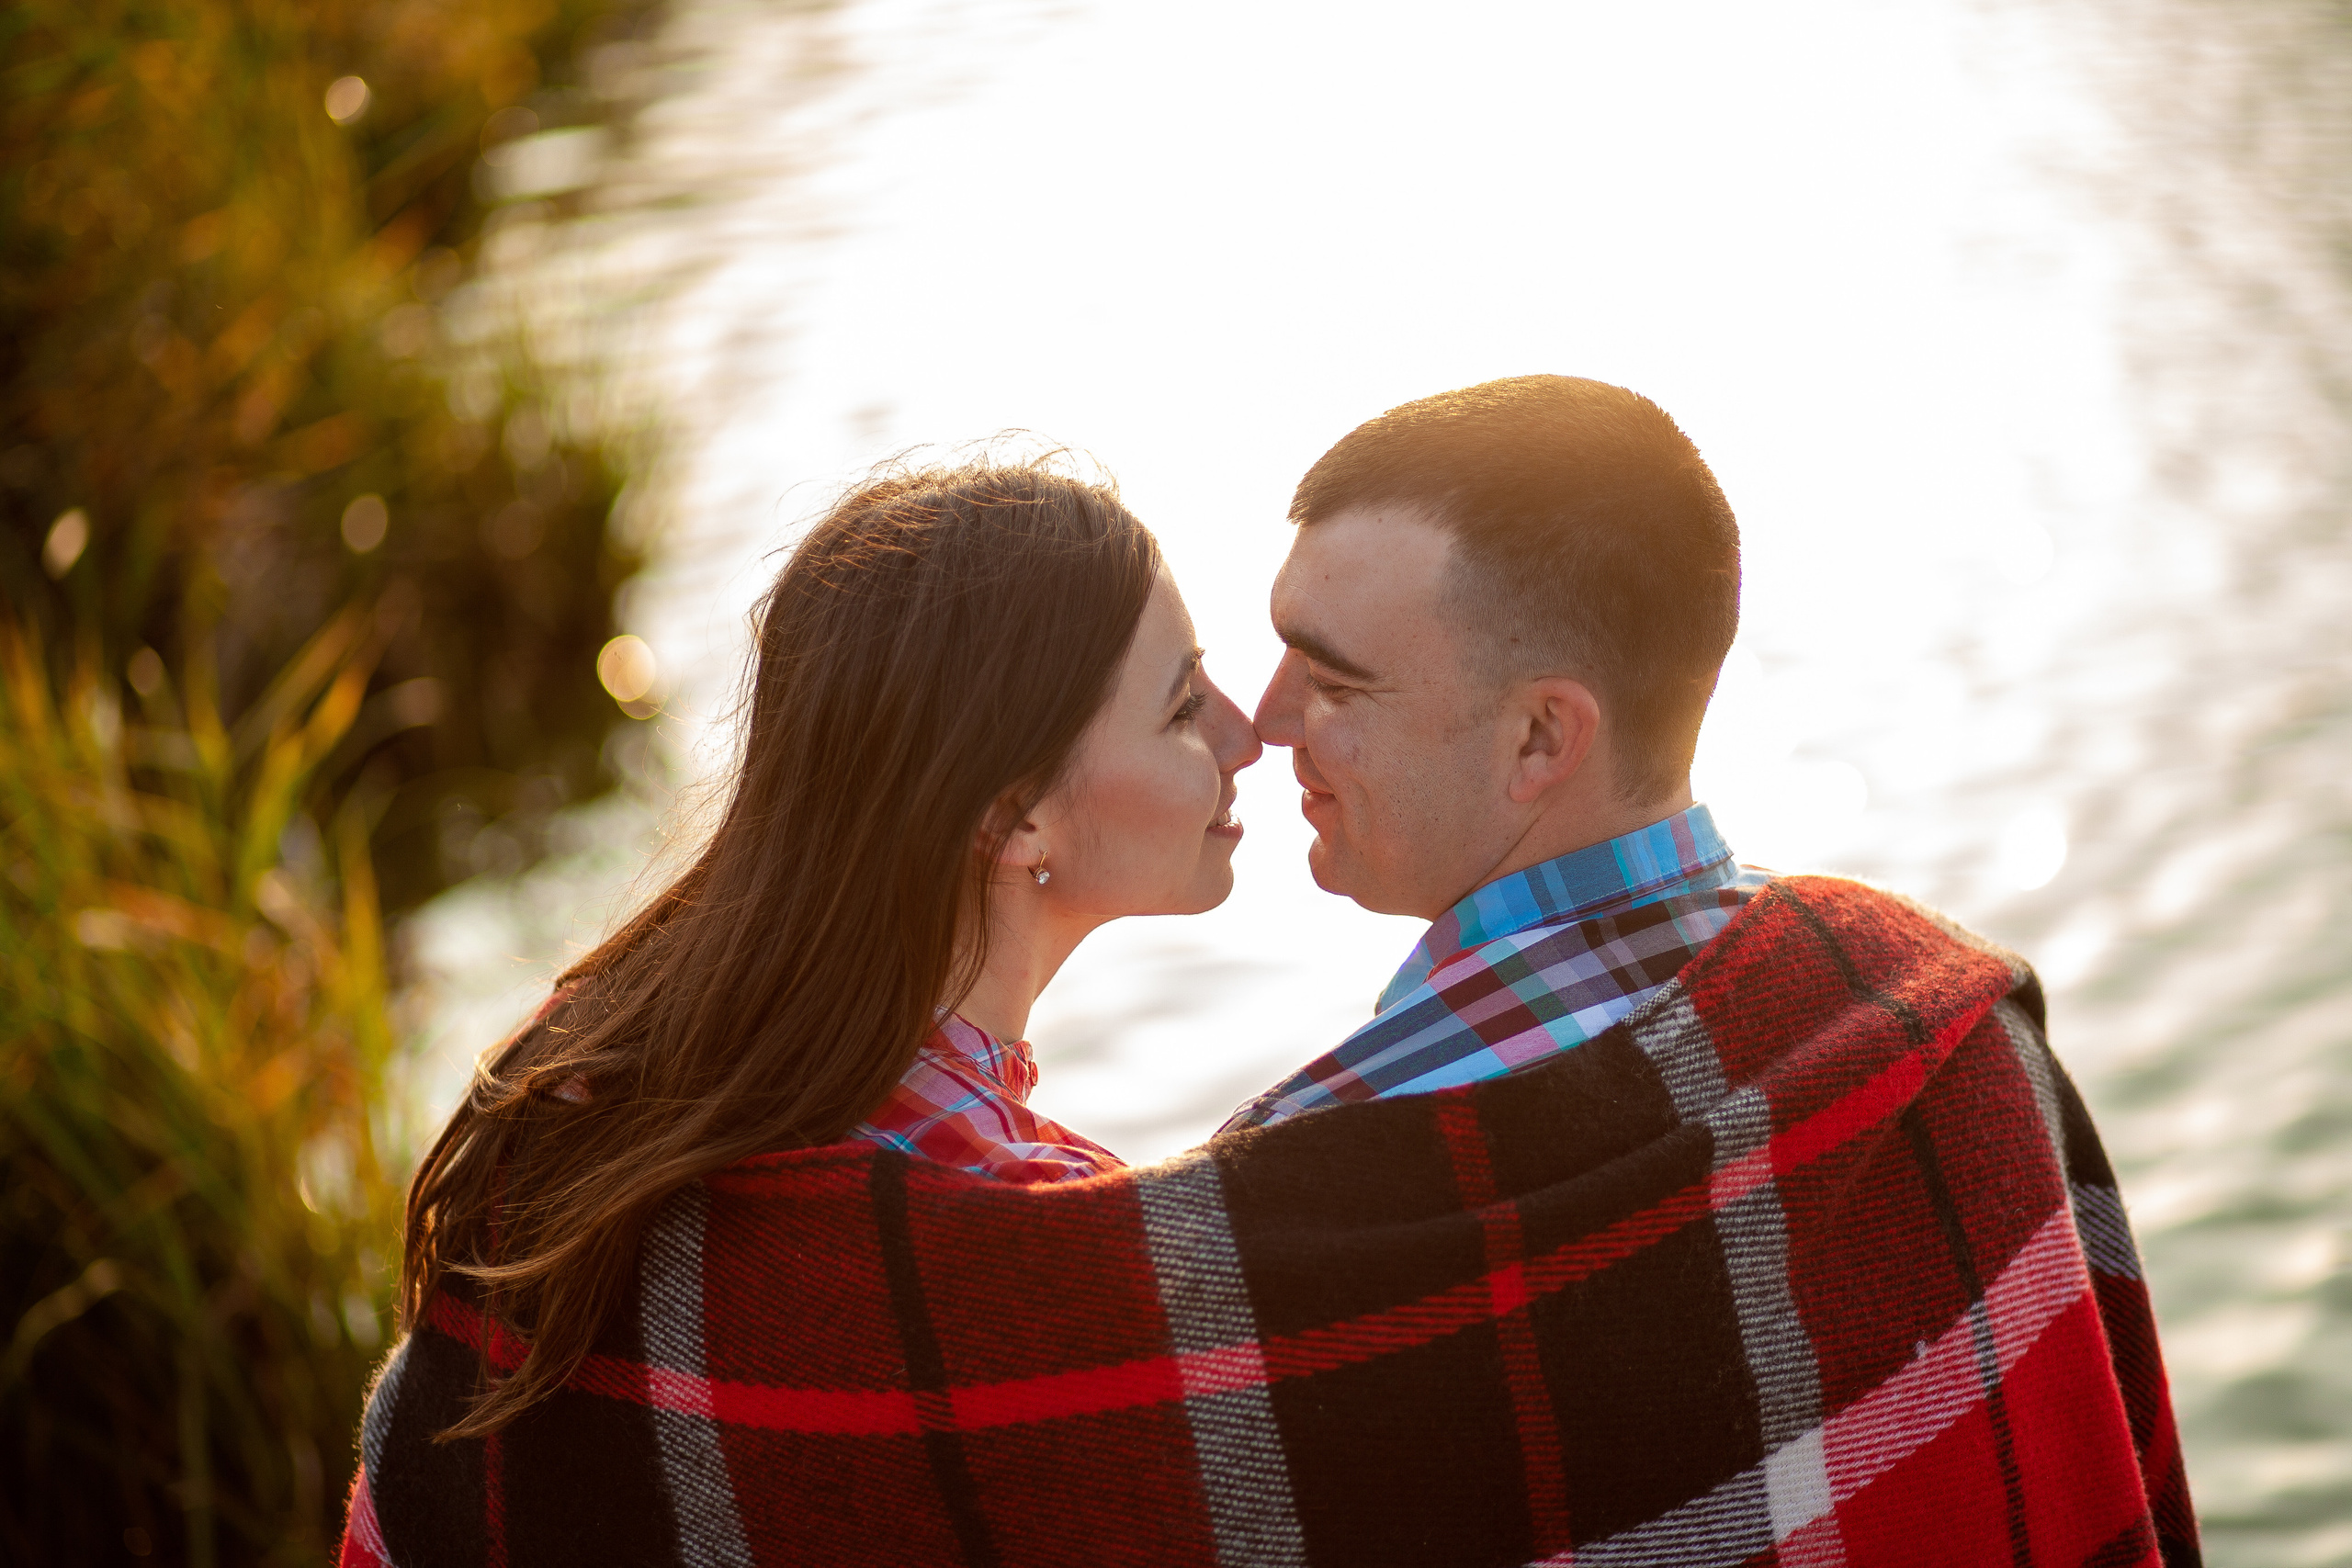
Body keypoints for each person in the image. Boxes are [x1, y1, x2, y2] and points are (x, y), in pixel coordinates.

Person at [347, 392, 2198, 1568]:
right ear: (1009, 810)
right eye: (1198, 691)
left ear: (1543, 735)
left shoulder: (602, 1104)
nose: (1257, 718)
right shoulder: (1935, 1026)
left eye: (1330, 671)